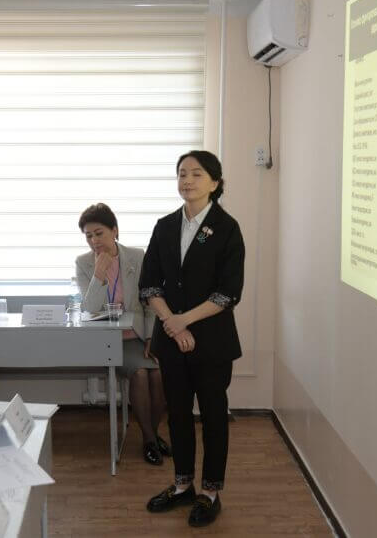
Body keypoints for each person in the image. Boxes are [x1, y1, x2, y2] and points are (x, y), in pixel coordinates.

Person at [139, 150, 245, 527]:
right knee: (178, 415)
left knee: (213, 417)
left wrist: (183, 321)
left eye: (196, 174)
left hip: (212, 341)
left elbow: (228, 292)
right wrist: (173, 324)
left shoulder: (227, 228)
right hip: (171, 340)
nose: (187, 180)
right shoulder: (165, 225)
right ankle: (183, 484)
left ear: (215, 182)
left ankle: (210, 492)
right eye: (182, 173)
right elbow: (149, 284)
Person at [75, 203, 169, 465]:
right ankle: (150, 440)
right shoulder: (83, 263)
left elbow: (150, 300)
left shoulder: (136, 257)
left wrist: (151, 337)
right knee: (139, 374)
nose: (94, 241)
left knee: (159, 374)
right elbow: (90, 308)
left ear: (114, 231)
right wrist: (98, 275)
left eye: (99, 233)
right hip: (108, 338)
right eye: (88, 236)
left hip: (138, 335)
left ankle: (153, 434)